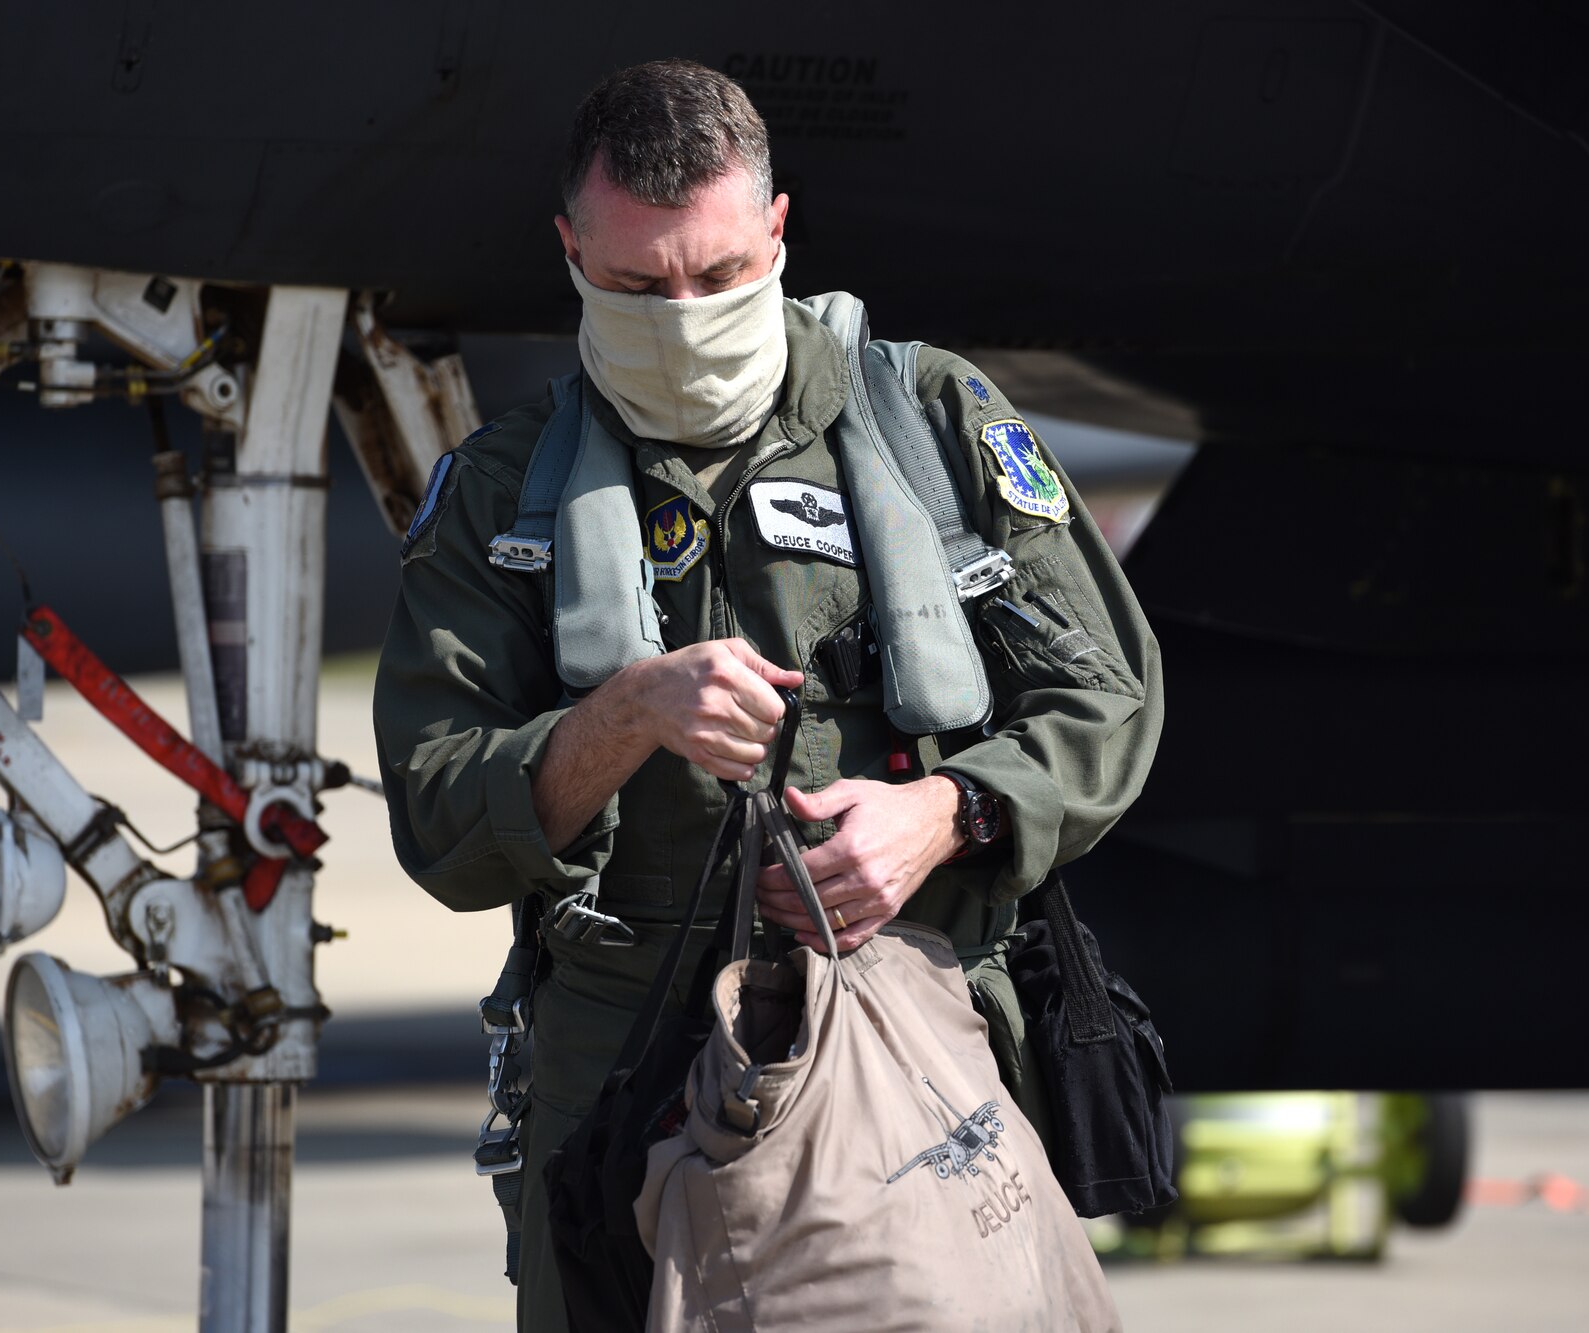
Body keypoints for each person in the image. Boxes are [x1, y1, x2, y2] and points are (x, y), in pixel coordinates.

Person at [372, 58, 1162, 1331]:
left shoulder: (929, 421)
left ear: (779, 230)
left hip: (907, 1044)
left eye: (720, 275)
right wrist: (619, 716)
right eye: (636, 285)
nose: (680, 314)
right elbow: (441, 821)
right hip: (621, 1084)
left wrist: (947, 813)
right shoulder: (500, 499)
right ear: (569, 249)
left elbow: (1104, 700)